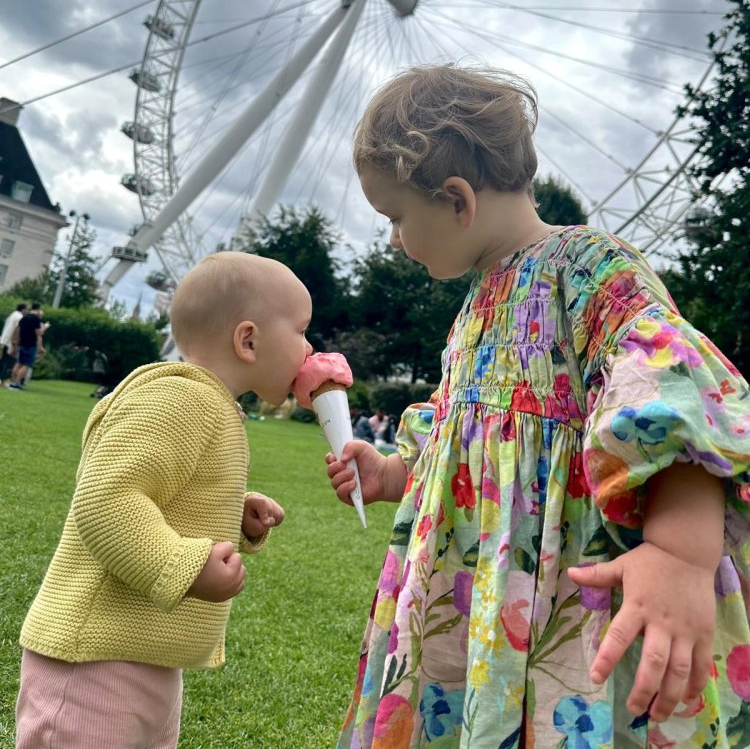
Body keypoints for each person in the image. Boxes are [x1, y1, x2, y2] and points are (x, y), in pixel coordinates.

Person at [326, 65, 750, 748]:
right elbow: (464, 440)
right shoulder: (476, 303)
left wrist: (678, 557)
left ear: (458, 200)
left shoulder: (588, 268)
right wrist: (392, 474)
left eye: (397, 217)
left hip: (567, 598)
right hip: (480, 601)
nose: (395, 239)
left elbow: (675, 398)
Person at [16, 251, 312, 748]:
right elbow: (106, 499)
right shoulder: (180, 400)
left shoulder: (210, 405)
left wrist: (233, 512)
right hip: (93, 660)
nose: (310, 349)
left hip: (144, 656)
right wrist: (184, 564)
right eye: (302, 330)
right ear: (248, 339)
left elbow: (168, 493)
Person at [8, 303, 48, 390]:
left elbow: (17, 330)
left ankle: (12, 381)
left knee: (18, 363)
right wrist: (45, 327)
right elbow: (38, 333)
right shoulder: (35, 319)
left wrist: (16, 341)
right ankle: (17, 383)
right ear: (38, 309)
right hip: (30, 344)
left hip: (22, 342)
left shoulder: (24, 318)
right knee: (26, 364)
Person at [0, 302, 26, 387]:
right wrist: (15, 343)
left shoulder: (12, 315)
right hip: (11, 342)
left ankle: (1, 379)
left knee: (3, 360)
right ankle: (3, 380)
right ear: (23, 309)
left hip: (4, 340)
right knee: (9, 362)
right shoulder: (20, 317)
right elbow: (17, 331)